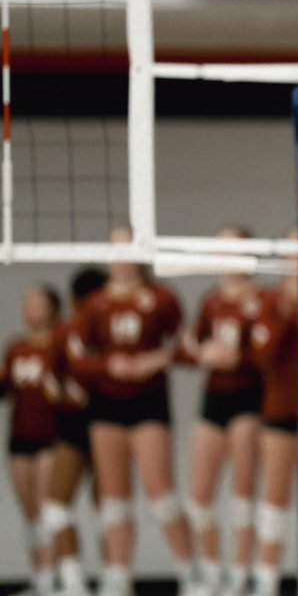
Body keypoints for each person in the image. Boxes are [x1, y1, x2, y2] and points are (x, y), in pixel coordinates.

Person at [67, 227, 200, 596]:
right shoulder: (95, 304)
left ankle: (191, 574)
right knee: (114, 501)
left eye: (127, 249)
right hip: (107, 405)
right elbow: (77, 360)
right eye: (114, 250)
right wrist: (109, 365)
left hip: (148, 403)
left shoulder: (161, 299)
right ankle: (117, 577)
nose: (121, 258)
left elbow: (188, 349)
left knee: (162, 496)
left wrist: (154, 359)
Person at [178, 226, 264, 596]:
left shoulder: (261, 300)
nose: (226, 255)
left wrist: (240, 357)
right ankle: (211, 573)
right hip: (213, 399)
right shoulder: (211, 300)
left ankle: (239, 576)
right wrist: (202, 353)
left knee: (243, 495)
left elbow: (272, 355)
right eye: (221, 248)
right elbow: (189, 347)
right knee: (199, 496)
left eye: (233, 247)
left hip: (249, 399)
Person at [41, 266, 108, 596]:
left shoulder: (111, 328)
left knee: (110, 509)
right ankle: (74, 583)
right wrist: (69, 395)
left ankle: (113, 580)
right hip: (76, 423)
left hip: (111, 420)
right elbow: (49, 379)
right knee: (57, 507)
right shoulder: (66, 331)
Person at [248, 242, 298, 596]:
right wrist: (286, 311)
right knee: (274, 497)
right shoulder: (270, 302)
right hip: (281, 410)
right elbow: (262, 357)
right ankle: (265, 578)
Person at [2, 284, 62, 596]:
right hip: (20, 436)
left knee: (45, 509)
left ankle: (51, 577)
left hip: (51, 437)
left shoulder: (61, 343)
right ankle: (38, 576)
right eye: (27, 302)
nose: (30, 308)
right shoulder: (16, 348)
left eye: (37, 302)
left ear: (52, 308)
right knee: (29, 513)